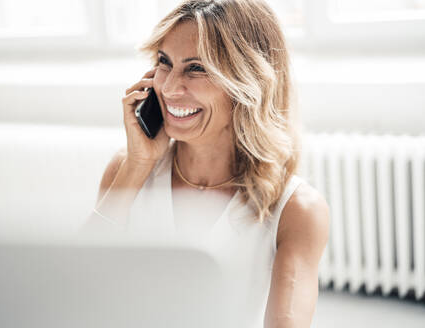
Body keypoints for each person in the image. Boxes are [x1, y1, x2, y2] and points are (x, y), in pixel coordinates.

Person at [83, 0, 330, 327]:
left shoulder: (298, 210)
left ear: (248, 83)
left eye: (196, 68)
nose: (169, 87)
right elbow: (80, 286)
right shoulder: (127, 169)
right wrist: (137, 165)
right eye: (164, 62)